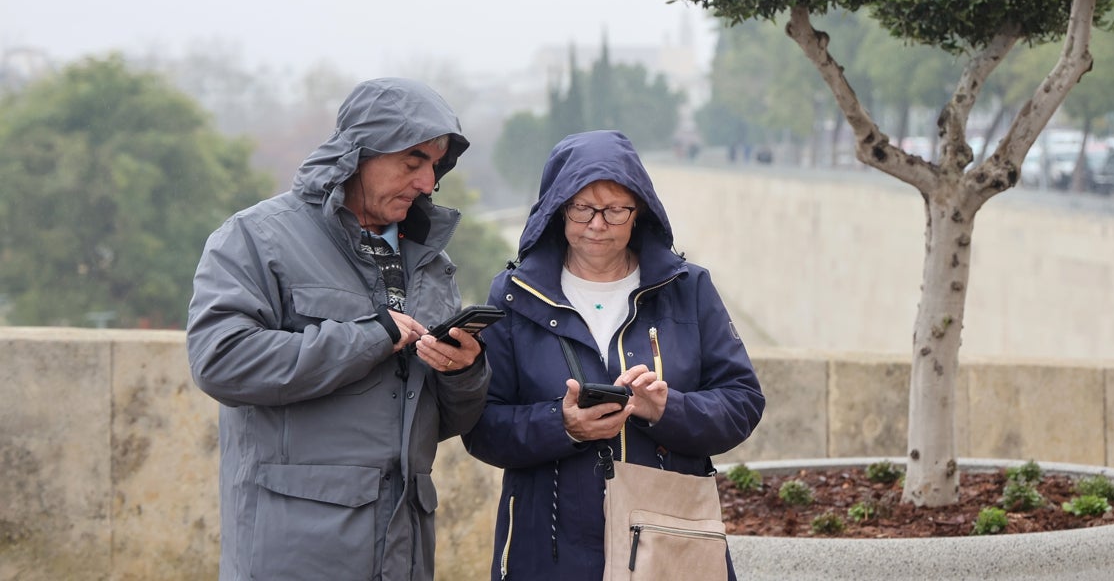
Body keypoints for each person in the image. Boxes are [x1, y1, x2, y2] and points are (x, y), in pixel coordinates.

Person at [186, 77, 490, 581]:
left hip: (405, 548)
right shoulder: (256, 237)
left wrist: (463, 372)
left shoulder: (431, 262)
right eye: (412, 160)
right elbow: (221, 361)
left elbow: (441, 422)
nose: (426, 182)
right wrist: (370, 337)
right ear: (356, 155)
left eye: (435, 166)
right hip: (294, 551)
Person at [463, 129, 765, 581]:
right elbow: (482, 427)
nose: (597, 224)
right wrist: (561, 425)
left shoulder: (688, 288)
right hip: (549, 550)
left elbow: (742, 401)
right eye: (582, 207)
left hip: (667, 544)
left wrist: (668, 409)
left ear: (639, 210)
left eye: (615, 209)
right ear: (556, 209)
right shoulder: (513, 295)